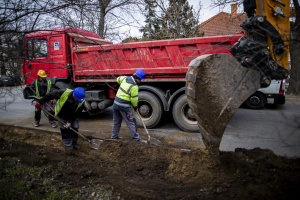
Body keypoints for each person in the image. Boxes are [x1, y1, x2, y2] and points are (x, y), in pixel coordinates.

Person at [111, 69, 147, 143]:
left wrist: (121, 84)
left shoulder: (124, 78)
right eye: (140, 80)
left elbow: (118, 79)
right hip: (124, 106)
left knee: (116, 122)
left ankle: (114, 137)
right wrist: (135, 107)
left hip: (116, 104)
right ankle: (137, 139)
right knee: (131, 122)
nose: (140, 81)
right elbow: (134, 100)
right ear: (137, 79)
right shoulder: (134, 86)